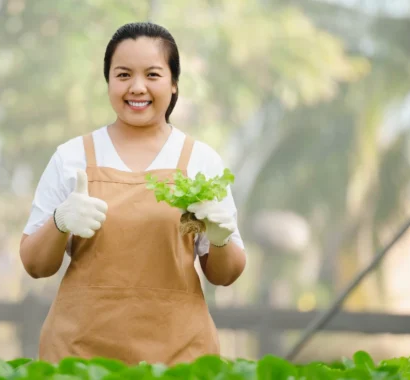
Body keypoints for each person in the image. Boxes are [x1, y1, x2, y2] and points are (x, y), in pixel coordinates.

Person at [19, 21, 246, 366]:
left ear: (173, 85)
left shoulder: (201, 161)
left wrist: (219, 238)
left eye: (152, 75)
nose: (137, 87)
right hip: (80, 357)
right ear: (108, 81)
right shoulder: (72, 157)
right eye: (123, 75)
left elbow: (225, 275)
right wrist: (60, 221)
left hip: (179, 358)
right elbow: (35, 264)